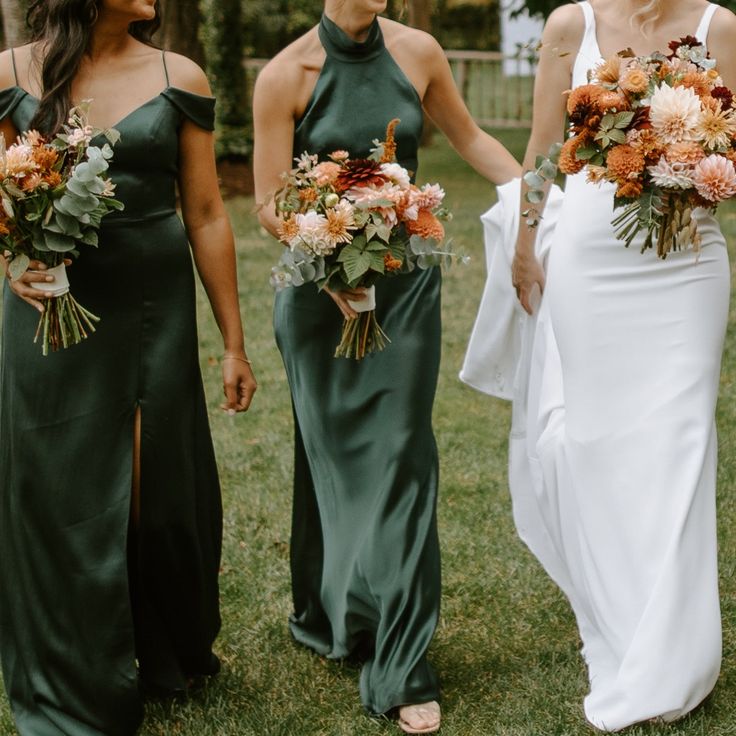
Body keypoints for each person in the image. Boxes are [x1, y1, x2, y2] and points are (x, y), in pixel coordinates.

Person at [252, 0, 520, 732]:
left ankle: (401, 665)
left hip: (405, 290)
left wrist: (539, 198)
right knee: (335, 463)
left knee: (401, 454)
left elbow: (470, 138)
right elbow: (269, 202)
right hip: (318, 295)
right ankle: (339, 611)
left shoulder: (421, 52)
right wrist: (325, 248)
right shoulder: (285, 75)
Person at [0, 0, 257, 733]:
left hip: (152, 303)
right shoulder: (9, 75)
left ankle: (158, 643)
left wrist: (232, 343)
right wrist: (15, 256)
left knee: (152, 494)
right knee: (57, 488)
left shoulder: (181, 75)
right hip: (48, 309)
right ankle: (66, 663)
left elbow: (206, 211)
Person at [508, 0, 736, 730]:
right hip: (591, 259)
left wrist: (693, 158)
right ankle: (620, 612)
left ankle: (675, 648)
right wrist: (525, 240)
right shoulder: (568, 26)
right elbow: (545, 148)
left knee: (680, 442)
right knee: (599, 441)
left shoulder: (719, 27)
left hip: (687, 262)